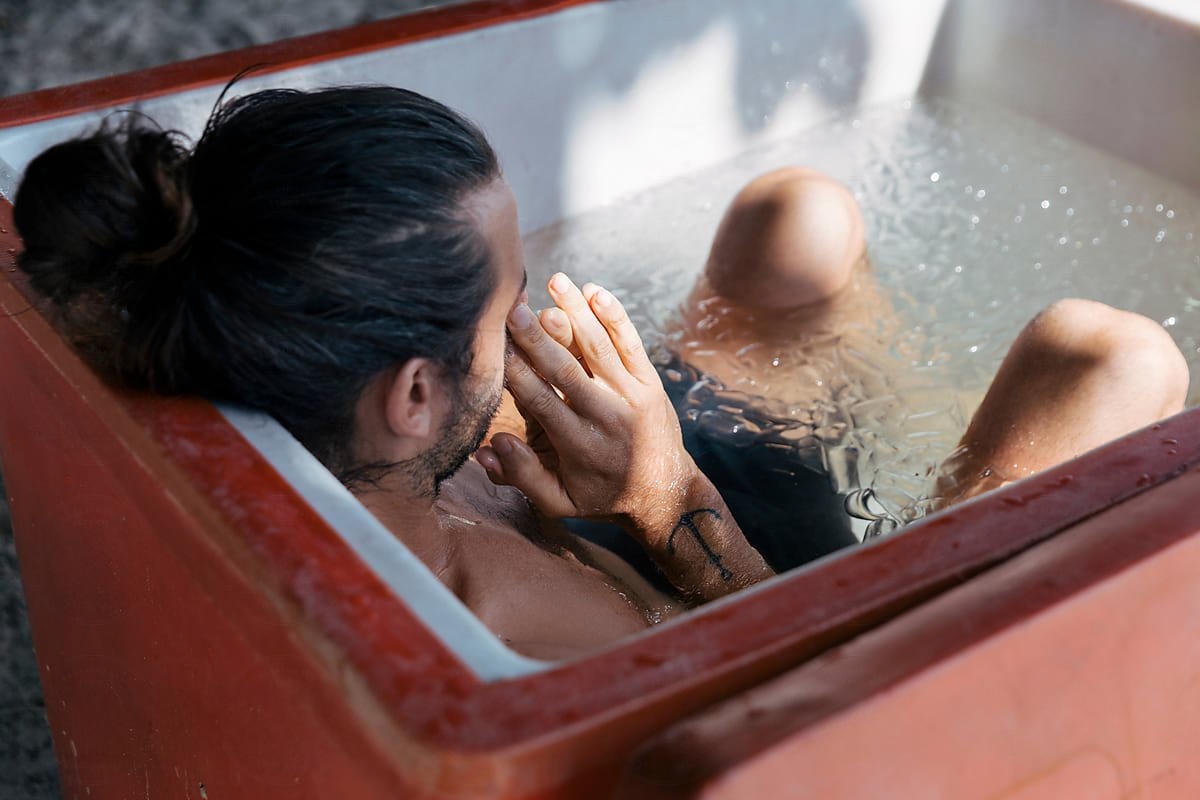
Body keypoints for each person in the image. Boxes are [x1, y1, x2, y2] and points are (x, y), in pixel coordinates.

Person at [12, 87, 1188, 660]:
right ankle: (933, 503)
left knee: (797, 215)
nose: (529, 315)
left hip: (602, 488)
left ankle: (905, 447)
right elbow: (806, 684)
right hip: (746, 574)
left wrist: (549, 412)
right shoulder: (519, 613)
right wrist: (669, 499)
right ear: (412, 394)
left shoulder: (257, 353)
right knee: (1111, 357)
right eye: (507, 304)